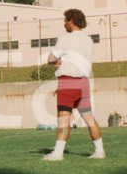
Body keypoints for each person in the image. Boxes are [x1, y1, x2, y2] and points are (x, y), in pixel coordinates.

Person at [44, 9, 105, 160]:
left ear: (71, 21)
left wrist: (57, 61)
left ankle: (58, 154)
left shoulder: (65, 39)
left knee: (63, 119)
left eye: (65, 20)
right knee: (89, 119)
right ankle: (99, 151)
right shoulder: (89, 40)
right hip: (84, 83)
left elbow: (51, 58)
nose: (64, 23)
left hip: (68, 82)